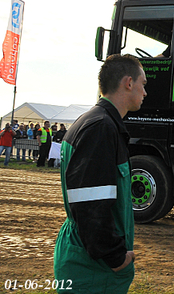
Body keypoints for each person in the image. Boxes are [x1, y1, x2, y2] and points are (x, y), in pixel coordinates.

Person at [54, 54, 146, 294]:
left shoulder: (92, 121)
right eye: (142, 84)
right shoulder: (101, 128)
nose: (145, 92)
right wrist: (116, 258)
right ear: (128, 83)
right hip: (93, 269)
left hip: (88, 260)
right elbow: (90, 206)